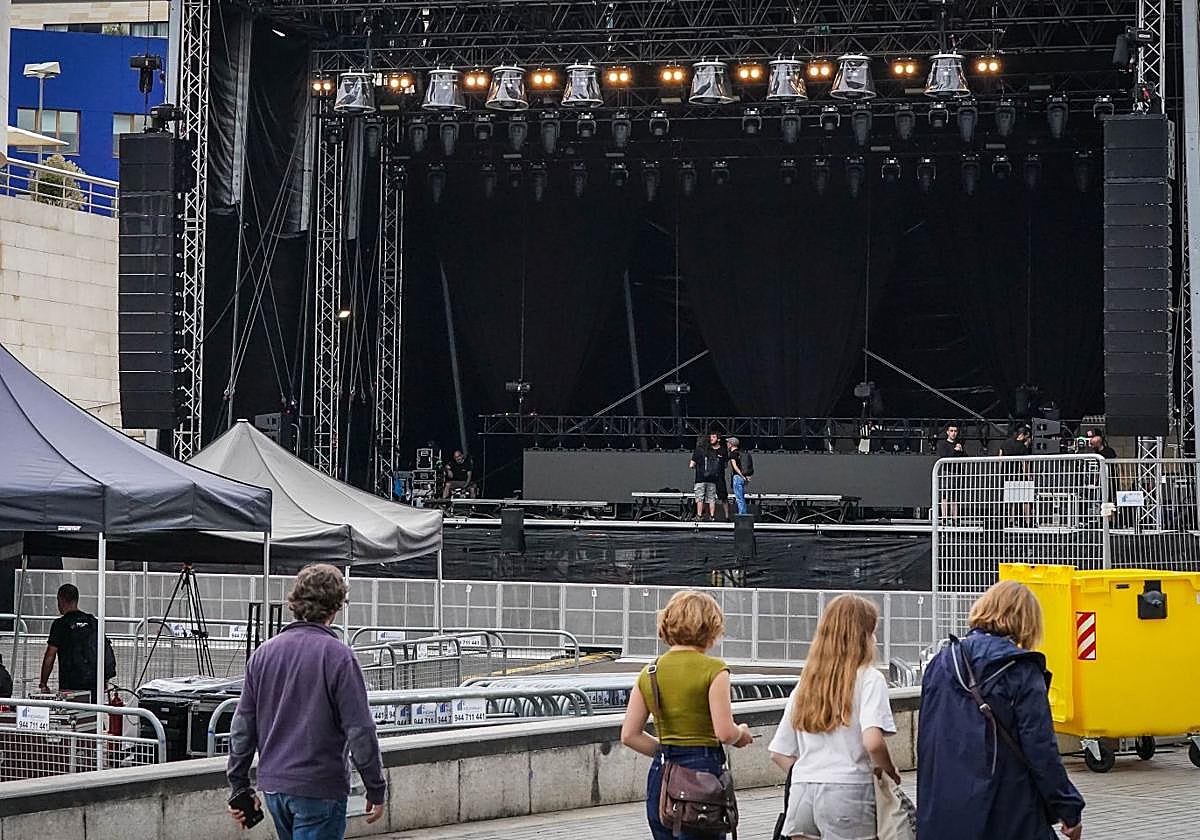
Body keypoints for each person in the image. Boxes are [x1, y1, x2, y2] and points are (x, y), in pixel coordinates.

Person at [228, 564, 386, 840]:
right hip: (320, 786)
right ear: (336, 607)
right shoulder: (339, 657)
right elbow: (360, 730)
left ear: (295, 603)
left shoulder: (264, 654)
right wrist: (375, 787)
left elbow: (242, 727)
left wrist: (239, 785)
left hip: (275, 787)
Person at [917, 580, 1084, 840]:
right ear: (1027, 621)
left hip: (944, 811)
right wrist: (1068, 809)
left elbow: (927, 742)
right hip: (1008, 809)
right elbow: (1040, 748)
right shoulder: (1020, 668)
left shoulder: (941, 663)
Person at [620, 590, 754, 840]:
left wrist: (667, 750)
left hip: (662, 775)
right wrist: (741, 734)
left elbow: (629, 735)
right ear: (711, 627)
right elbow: (724, 732)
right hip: (702, 772)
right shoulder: (714, 670)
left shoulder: (650, 671)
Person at [768, 594, 900, 840]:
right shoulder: (869, 679)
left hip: (802, 793)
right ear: (863, 637)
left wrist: (810, 772)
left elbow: (778, 752)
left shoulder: (806, 683)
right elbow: (872, 741)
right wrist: (890, 772)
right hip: (849, 792)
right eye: (873, 631)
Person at [39, 584, 114, 702]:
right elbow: (104, 650)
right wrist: (104, 679)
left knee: (72, 715)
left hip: (70, 683)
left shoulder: (60, 624)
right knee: (93, 715)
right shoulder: (93, 622)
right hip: (94, 682)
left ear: (61, 600)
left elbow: (50, 655)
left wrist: (43, 683)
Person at [688, 433, 728, 521]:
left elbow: (691, 465)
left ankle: (699, 515)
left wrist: (697, 467)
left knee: (700, 498)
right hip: (712, 478)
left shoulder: (698, 450)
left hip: (700, 478)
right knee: (711, 498)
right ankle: (712, 516)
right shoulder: (712, 451)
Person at [727, 437, 754, 517]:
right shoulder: (741, 453)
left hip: (737, 477)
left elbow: (735, 467)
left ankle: (742, 514)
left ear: (731, 444)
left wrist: (741, 476)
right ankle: (743, 513)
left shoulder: (733, 454)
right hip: (744, 477)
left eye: (728, 443)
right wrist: (745, 477)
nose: (727, 444)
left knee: (739, 498)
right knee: (742, 497)